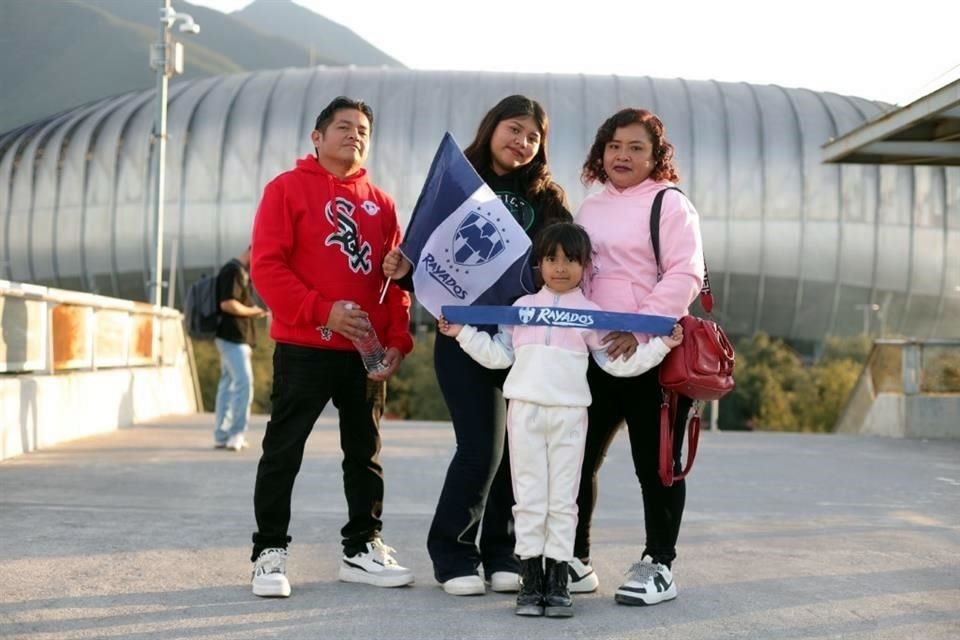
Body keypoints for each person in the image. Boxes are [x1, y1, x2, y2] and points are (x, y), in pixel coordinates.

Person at [439, 222, 683, 617]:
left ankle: (557, 581)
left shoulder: (592, 315)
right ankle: (530, 579)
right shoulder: (520, 310)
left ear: (586, 267)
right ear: (539, 263)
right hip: (524, 413)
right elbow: (499, 356)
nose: (561, 268)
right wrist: (462, 333)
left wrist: (660, 346)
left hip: (570, 415)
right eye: (552, 259)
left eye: (572, 260)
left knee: (563, 501)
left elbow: (618, 365)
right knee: (530, 496)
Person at [383, 95, 572, 596]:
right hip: (462, 337)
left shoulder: (550, 199)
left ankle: (502, 552)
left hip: (525, 341)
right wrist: (403, 273)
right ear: (491, 128)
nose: (522, 142)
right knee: (480, 449)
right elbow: (430, 254)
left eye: (534, 137)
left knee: (519, 449)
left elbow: (565, 265)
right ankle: (452, 553)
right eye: (514, 129)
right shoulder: (458, 185)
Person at [247, 96, 415, 598]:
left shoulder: (381, 203)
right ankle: (269, 552)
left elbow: (394, 282)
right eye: (343, 127)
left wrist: (399, 340)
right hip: (305, 345)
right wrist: (325, 311)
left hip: (364, 352)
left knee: (365, 453)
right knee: (283, 449)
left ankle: (362, 547)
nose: (354, 135)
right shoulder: (285, 190)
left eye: (362, 129)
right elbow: (267, 268)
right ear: (317, 138)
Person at [570, 108, 705, 606]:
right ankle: (575, 560)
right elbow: (578, 275)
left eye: (636, 148)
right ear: (600, 152)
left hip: (654, 356)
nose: (623, 156)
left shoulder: (670, 203)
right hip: (592, 352)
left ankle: (659, 565)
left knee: (657, 466)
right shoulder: (589, 207)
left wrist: (640, 327)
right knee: (577, 462)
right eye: (614, 146)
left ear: (656, 156)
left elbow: (685, 275)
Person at [213, 245, 265, 451]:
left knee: (227, 385)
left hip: (233, 338)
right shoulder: (233, 270)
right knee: (244, 383)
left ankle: (221, 434)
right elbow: (228, 304)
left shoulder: (240, 272)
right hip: (232, 337)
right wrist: (253, 311)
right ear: (252, 251)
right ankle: (236, 433)